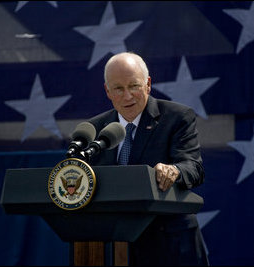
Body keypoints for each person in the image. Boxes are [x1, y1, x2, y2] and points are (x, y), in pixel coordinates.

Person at [87, 52, 209, 266]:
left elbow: (193, 167)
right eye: (118, 88)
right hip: (114, 248)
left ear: (148, 84)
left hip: (170, 244)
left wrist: (175, 171)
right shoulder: (93, 130)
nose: (127, 96)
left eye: (134, 86)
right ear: (107, 91)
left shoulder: (177, 117)